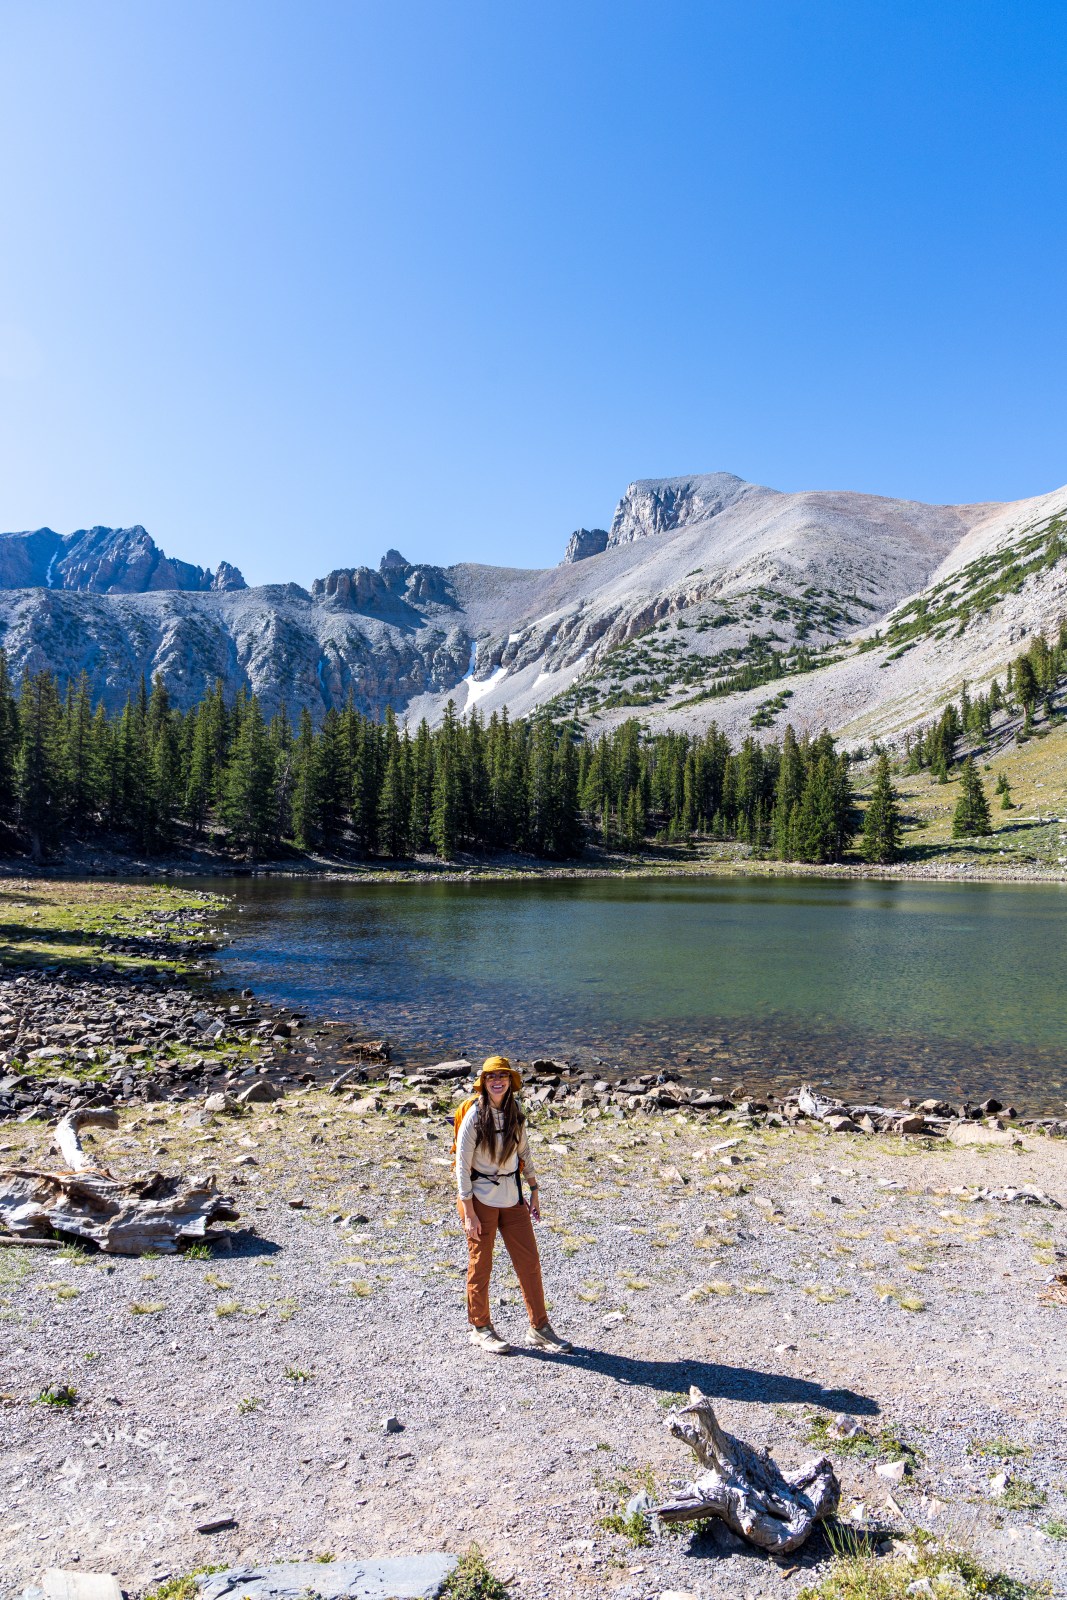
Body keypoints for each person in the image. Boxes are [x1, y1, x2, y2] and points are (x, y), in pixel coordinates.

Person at [456, 1055, 572, 1356]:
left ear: (510, 1082)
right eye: (492, 1077)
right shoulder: (473, 1116)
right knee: (481, 1264)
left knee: (529, 1263)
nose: (498, 1082)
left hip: (512, 1195)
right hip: (479, 1198)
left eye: (503, 1077)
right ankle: (480, 1328)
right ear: (483, 1082)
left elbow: (525, 1151)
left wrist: (533, 1188)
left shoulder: (515, 1112)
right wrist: (468, 1211)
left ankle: (539, 1328)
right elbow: (461, 1166)